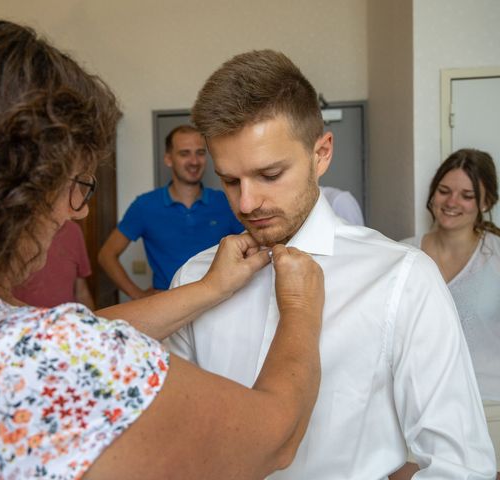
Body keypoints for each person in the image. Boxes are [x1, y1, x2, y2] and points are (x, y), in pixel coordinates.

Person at [0, 18, 326, 479]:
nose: (78, 212)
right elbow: (275, 437)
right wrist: (302, 308)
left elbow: (45, 337)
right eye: (76, 185)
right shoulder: (55, 361)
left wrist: (210, 290)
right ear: (13, 188)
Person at [166, 49, 497, 479]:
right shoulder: (193, 280)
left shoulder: (401, 277)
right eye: (230, 180)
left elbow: (460, 466)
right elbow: (176, 438)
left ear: (321, 153)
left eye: (269, 175)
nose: (246, 202)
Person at [401, 148, 500, 477]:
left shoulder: (496, 257)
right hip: (420, 409)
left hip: (490, 408)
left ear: (485, 203)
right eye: (444, 191)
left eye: (467, 195)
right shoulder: (402, 254)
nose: (452, 202)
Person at [98, 124, 243, 299]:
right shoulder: (145, 206)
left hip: (218, 303)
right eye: (184, 153)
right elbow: (106, 255)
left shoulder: (226, 201)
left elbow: (253, 245)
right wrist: (137, 295)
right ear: (168, 159)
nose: (194, 161)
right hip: (167, 308)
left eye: (200, 153)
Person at [13, 220, 95, 309]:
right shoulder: (12, 233)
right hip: (24, 320)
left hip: (66, 320)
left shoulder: (72, 231)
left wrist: (93, 321)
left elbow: (82, 292)